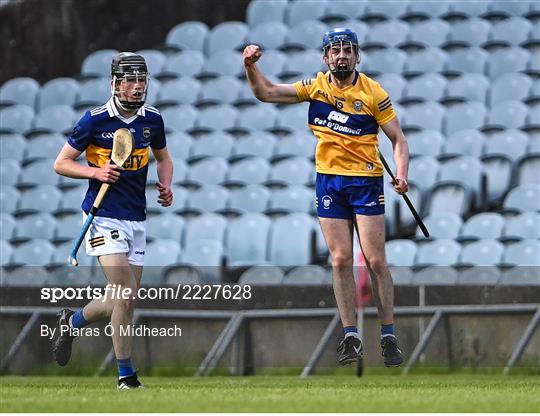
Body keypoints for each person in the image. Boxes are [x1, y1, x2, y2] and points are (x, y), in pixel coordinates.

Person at [243, 28, 409, 367]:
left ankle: (388, 334)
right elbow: (267, 92)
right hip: (330, 182)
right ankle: (351, 336)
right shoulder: (315, 87)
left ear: (357, 56)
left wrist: (402, 172)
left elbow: (399, 141)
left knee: (376, 261)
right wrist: (250, 67)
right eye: (335, 50)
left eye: (348, 50)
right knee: (339, 259)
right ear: (325, 57)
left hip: (366, 182)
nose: (342, 55)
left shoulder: (374, 92)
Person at [53, 52, 173, 388]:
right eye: (130, 80)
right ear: (114, 84)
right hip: (103, 216)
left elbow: (164, 158)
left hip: (136, 217)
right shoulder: (94, 121)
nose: (137, 87)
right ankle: (126, 376)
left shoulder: (153, 120)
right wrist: (95, 171)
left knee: (122, 298)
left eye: (142, 80)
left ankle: (71, 322)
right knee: (125, 294)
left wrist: (166, 184)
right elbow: (61, 163)